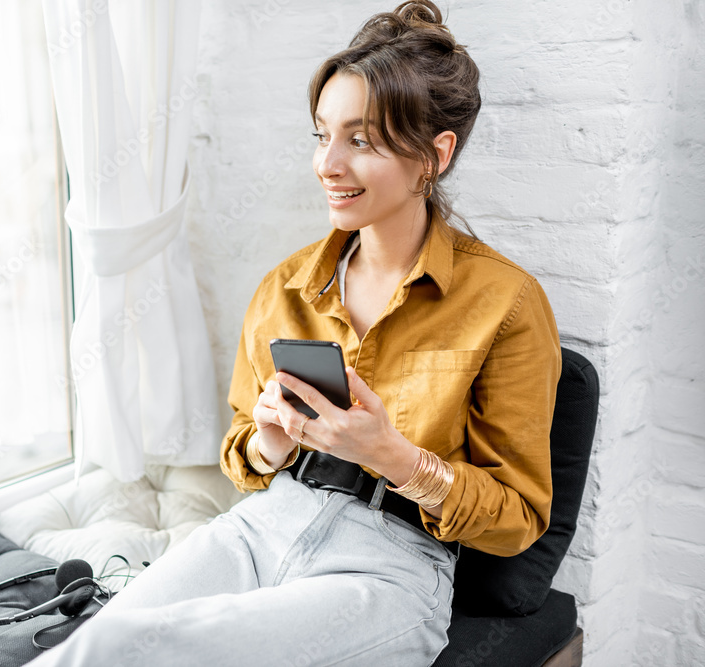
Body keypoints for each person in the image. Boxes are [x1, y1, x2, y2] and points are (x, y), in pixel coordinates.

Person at [31, 1, 560, 665]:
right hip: (260, 526)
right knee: (96, 641)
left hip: (389, 570)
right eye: (321, 135)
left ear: (435, 153)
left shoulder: (506, 303)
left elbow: (518, 518)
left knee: (124, 645)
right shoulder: (285, 287)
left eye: (360, 140)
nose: (327, 164)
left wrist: (398, 457)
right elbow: (240, 454)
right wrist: (270, 442)